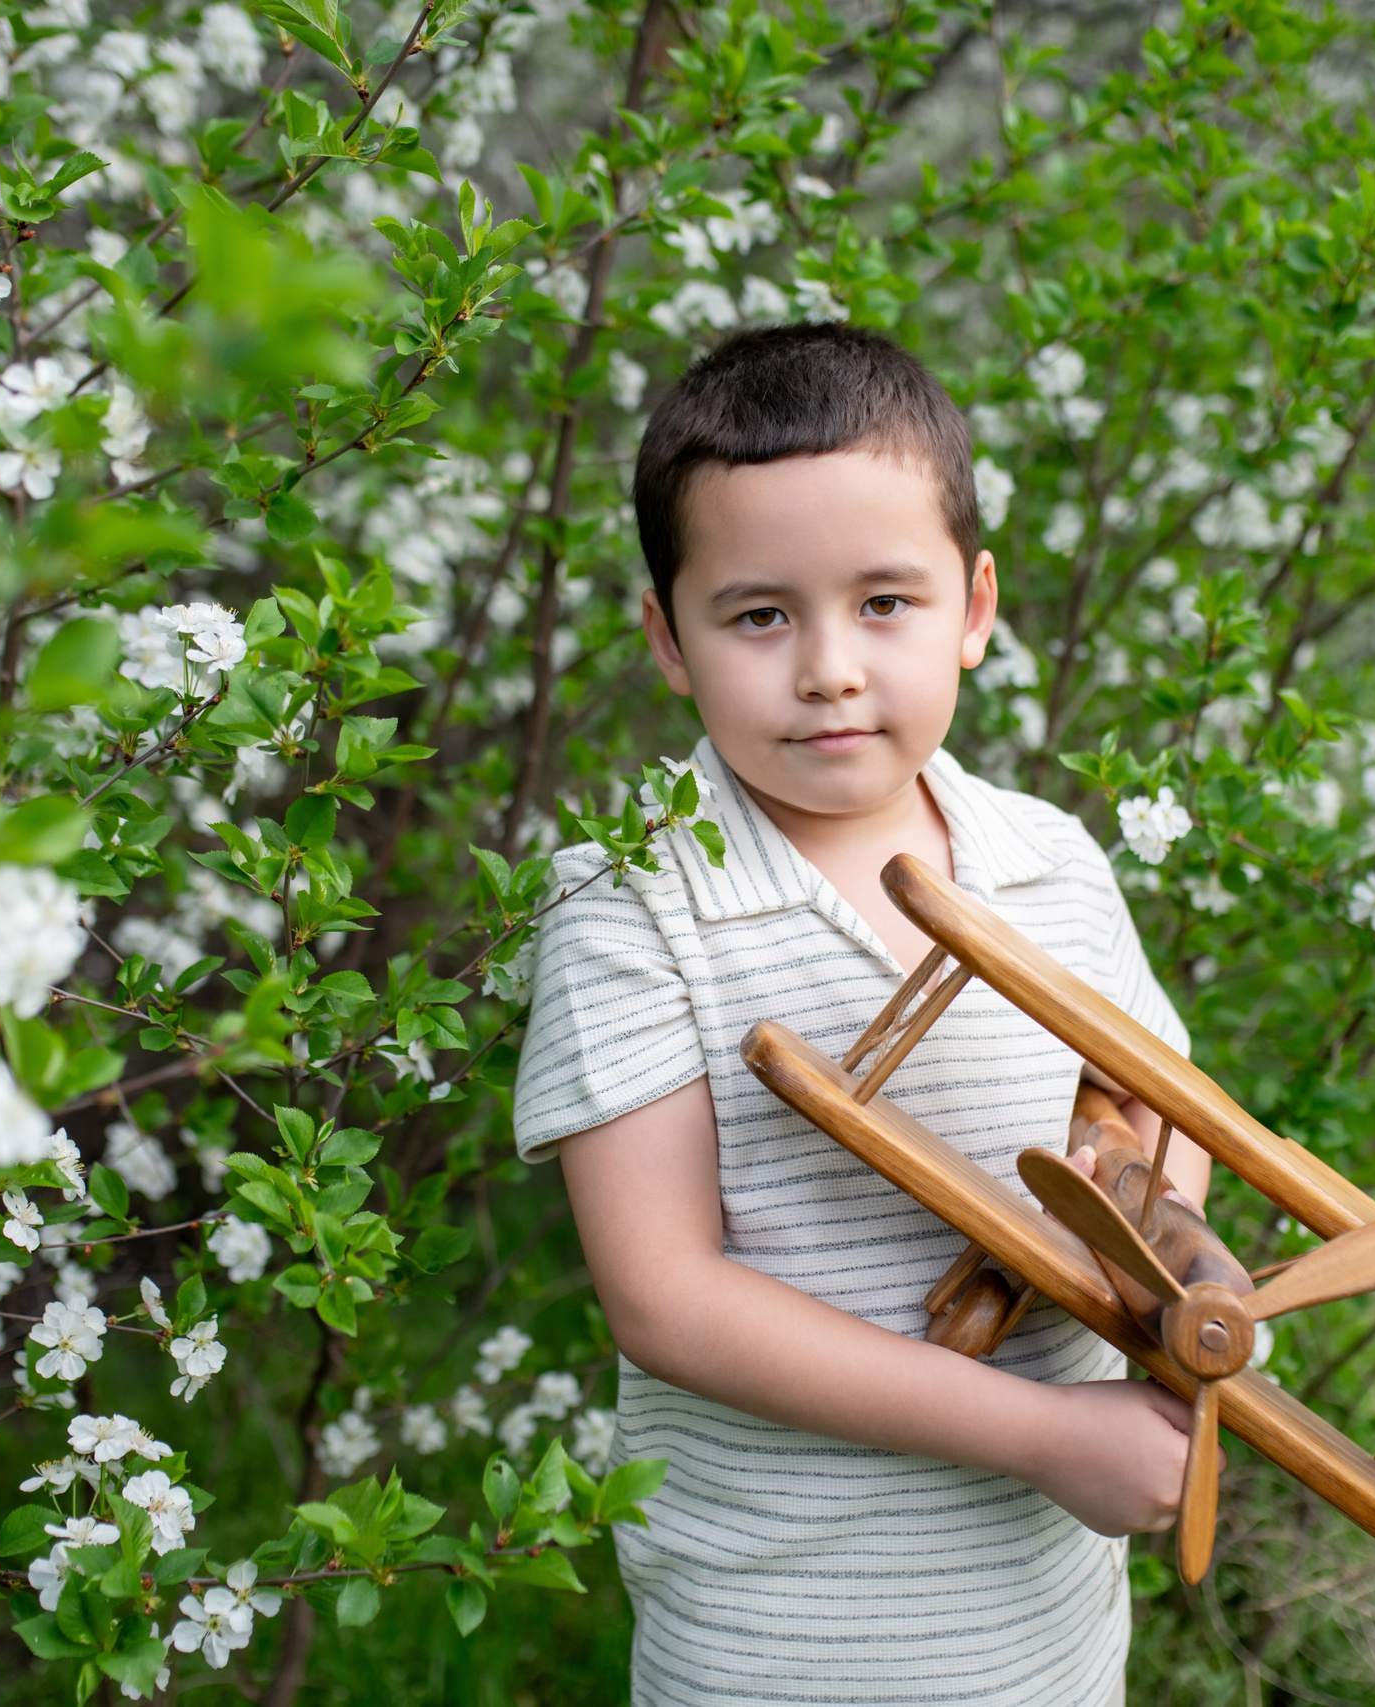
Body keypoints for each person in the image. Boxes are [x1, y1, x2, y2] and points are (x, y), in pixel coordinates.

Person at [514, 323, 1219, 1706]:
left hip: (1040, 1626)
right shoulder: (631, 911)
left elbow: (1163, 1108)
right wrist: (1039, 1432)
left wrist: (1146, 1223)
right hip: (783, 1631)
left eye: (885, 603)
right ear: (669, 638)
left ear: (974, 606)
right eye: (761, 614)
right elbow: (668, 1302)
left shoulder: (1048, 863)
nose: (830, 667)